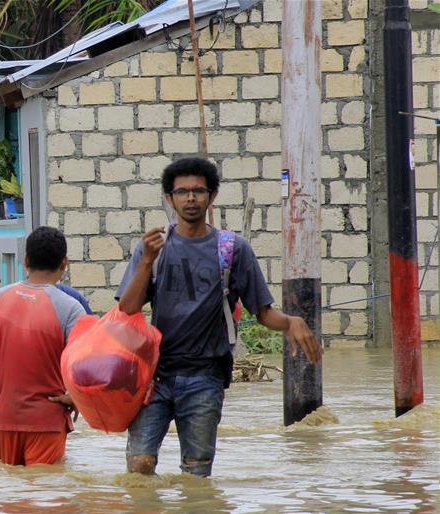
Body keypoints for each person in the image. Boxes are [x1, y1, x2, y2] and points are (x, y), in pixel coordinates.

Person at [116, 156, 323, 477]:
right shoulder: (153, 248)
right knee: (139, 465)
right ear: (169, 199)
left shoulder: (232, 249)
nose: (190, 198)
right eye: (182, 192)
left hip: (205, 378)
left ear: (212, 196)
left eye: (198, 191)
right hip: (153, 377)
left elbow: (263, 312)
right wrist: (146, 263)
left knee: (196, 475)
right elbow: (127, 309)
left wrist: (291, 322)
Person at [0, 226, 85, 467]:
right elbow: (88, 362)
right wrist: (75, 397)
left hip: (4, 418)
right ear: (64, 263)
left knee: (9, 495)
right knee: (41, 494)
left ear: (25, 260)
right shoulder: (70, 309)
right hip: (47, 420)